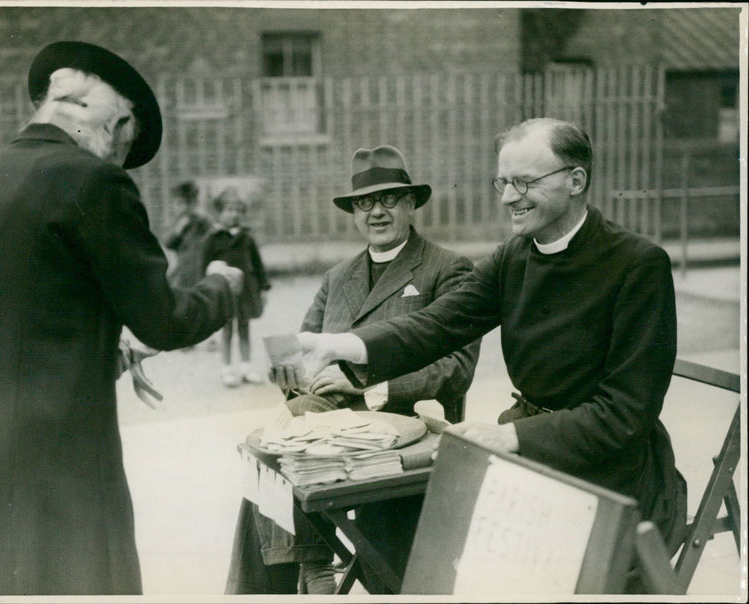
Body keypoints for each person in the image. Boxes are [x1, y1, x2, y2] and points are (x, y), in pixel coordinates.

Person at [275, 119, 689, 583]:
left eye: (525, 182)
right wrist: (336, 343)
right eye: (503, 182)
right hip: (530, 453)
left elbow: (624, 416)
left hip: (610, 476)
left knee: (469, 560)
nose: (509, 197)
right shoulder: (515, 254)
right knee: (430, 550)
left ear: (576, 180)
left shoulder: (638, 265)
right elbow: (436, 325)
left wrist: (508, 438)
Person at [0, 41, 243, 596]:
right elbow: (165, 321)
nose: (114, 154)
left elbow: (14, 311)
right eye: (121, 141)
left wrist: (104, 347)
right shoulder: (93, 181)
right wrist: (223, 286)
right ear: (115, 115)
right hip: (65, 460)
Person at [226, 145, 481, 594]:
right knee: (268, 447)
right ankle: (305, 571)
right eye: (364, 203)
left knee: (285, 437)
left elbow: (455, 366)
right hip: (330, 432)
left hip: (408, 425)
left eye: (387, 200)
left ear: (410, 203)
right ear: (353, 213)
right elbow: (305, 355)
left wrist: (369, 383)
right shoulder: (337, 277)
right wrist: (290, 374)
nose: (376, 212)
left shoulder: (447, 269)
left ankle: (303, 574)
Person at [201, 187, 271, 386]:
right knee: (226, 328)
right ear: (219, 212)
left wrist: (263, 288)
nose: (235, 214)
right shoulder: (212, 238)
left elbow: (258, 265)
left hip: (247, 289)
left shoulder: (247, 238)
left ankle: (246, 367)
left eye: (239, 210)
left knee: (244, 326)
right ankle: (227, 369)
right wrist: (205, 293)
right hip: (224, 290)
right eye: (230, 209)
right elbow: (203, 267)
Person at [163, 180, 212, 289]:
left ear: (191, 204)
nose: (175, 207)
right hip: (183, 274)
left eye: (180, 203)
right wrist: (178, 230)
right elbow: (167, 243)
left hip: (199, 273)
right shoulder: (177, 223)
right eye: (175, 203)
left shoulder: (202, 222)